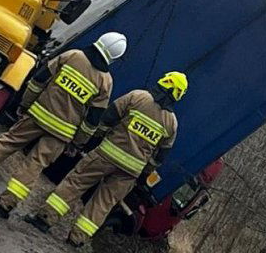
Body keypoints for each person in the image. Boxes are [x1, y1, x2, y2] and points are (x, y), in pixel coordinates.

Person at [0, 32, 128, 218]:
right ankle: (6, 205)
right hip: (61, 134)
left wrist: (24, 104)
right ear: (114, 57)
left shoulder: (71, 56)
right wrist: (77, 142)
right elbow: (92, 120)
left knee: (6, 143)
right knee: (35, 164)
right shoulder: (106, 82)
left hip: (36, 116)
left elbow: (38, 81)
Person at [23, 71, 187, 248]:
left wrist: (93, 139)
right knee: (103, 203)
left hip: (106, 155)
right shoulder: (172, 124)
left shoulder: (138, 97)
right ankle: (77, 239)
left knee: (76, 183)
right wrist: (142, 171)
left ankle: (45, 219)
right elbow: (159, 158)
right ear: (179, 95)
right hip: (130, 172)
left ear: (164, 81)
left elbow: (108, 118)